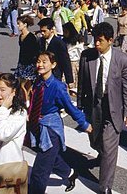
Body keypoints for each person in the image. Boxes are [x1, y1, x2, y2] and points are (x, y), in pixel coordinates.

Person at [77, 22, 127, 193]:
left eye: (100, 40)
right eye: (95, 39)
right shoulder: (87, 56)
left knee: (110, 148)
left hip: (113, 108)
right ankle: (100, 152)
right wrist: (80, 105)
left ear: (110, 40)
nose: (96, 44)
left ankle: (105, 187)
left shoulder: (122, 59)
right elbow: (82, 83)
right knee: (95, 140)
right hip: (94, 106)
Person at [27, 52, 92, 193]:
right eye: (38, 61)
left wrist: (84, 124)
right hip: (37, 125)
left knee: (39, 171)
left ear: (53, 65)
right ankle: (69, 173)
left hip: (51, 129)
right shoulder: (38, 81)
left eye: (44, 62)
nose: (40, 65)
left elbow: (70, 107)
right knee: (52, 157)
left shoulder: (57, 86)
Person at [38, 17, 76, 94]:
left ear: (51, 29)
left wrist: (69, 80)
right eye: (41, 31)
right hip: (42, 74)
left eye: (44, 31)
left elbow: (65, 62)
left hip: (55, 74)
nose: (42, 33)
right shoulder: (41, 41)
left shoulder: (59, 43)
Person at [14, 15, 41, 98]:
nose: (17, 25)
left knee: (25, 85)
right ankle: (25, 100)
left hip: (29, 64)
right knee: (22, 85)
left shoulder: (31, 37)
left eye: (19, 24)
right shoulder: (20, 36)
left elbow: (35, 51)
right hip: (21, 63)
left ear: (25, 24)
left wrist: (35, 65)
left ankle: (27, 101)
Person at [63, 22, 84, 92]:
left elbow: (82, 52)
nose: (64, 33)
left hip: (76, 63)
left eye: (66, 31)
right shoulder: (64, 41)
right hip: (67, 62)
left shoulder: (78, 41)